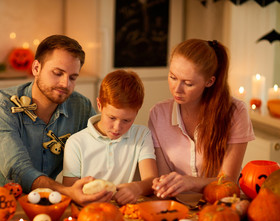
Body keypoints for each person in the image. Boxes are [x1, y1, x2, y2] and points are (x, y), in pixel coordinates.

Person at [0, 35, 113, 205]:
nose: (65, 84)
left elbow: (103, 146)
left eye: (73, 77)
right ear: (36, 68)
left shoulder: (81, 107)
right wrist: (67, 191)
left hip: (47, 202)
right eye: (57, 73)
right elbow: (17, 168)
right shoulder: (2, 105)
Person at [149, 39, 255, 199]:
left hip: (222, 206)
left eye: (188, 83)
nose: (177, 89)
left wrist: (192, 182)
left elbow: (229, 181)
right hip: (176, 207)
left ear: (209, 81)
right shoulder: (158, 114)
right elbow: (163, 181)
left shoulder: (235, 112)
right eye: (173, 77)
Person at [62, 69, 158, 205]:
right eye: (112, 117)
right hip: (89, 211)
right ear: (100, 105)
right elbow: (71, 191)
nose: (117, 127)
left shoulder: (142, 135)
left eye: (127, 120)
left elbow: (152, 181)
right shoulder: (76, 143)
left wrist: (137, 188)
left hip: (127, 212)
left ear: (137, 112)